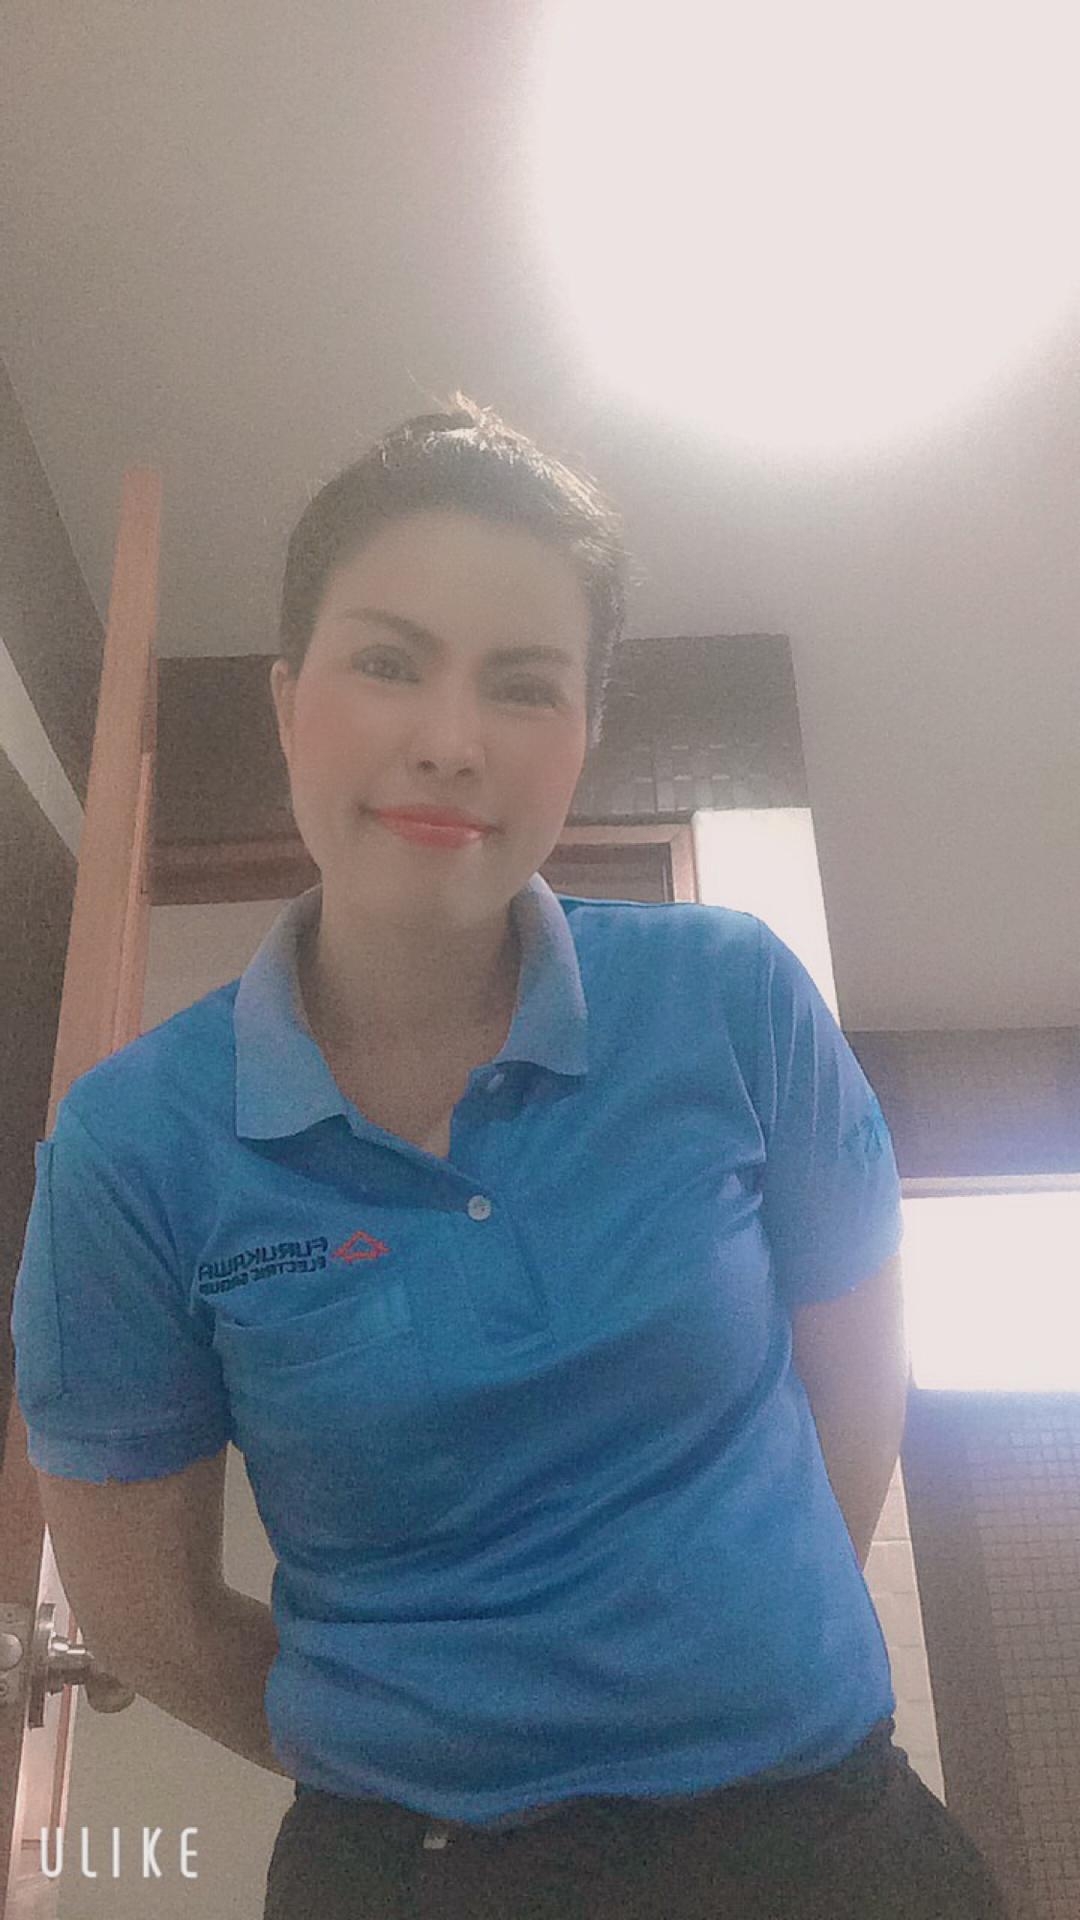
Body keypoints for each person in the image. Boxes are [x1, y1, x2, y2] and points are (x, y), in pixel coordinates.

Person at [11, 394, 1009, 1920]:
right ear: (287, 703)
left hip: (826, 1835)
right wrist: (427, 1753)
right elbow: (150, 1621)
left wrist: (726, 1687)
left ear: (584, 738)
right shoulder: (132, 1148)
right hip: (418, 1869)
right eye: (388, 662)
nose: (450, 742)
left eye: (525, 685)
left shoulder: (733, 1000)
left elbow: (853, 1421)